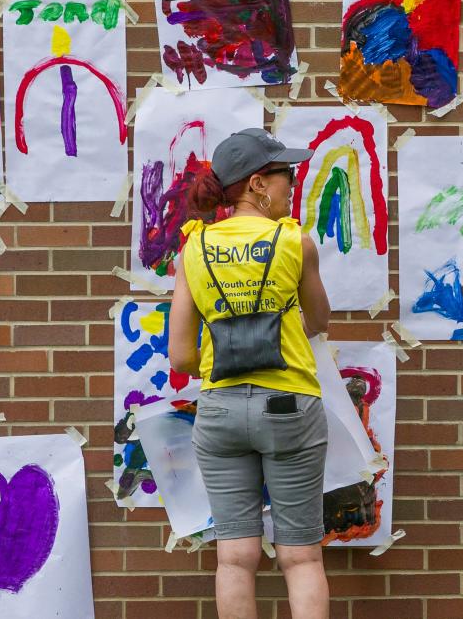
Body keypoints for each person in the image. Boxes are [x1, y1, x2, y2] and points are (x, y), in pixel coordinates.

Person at [169, 128, 332, 619]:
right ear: (259, 183)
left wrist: (222, 356)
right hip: (289, 408)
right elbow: (319, 321)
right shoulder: (293, 242)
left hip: (220, 411)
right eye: (287, 175)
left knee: (235, 559)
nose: (291, 184)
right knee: (300, 556)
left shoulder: (193, 248)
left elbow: (180, 357)